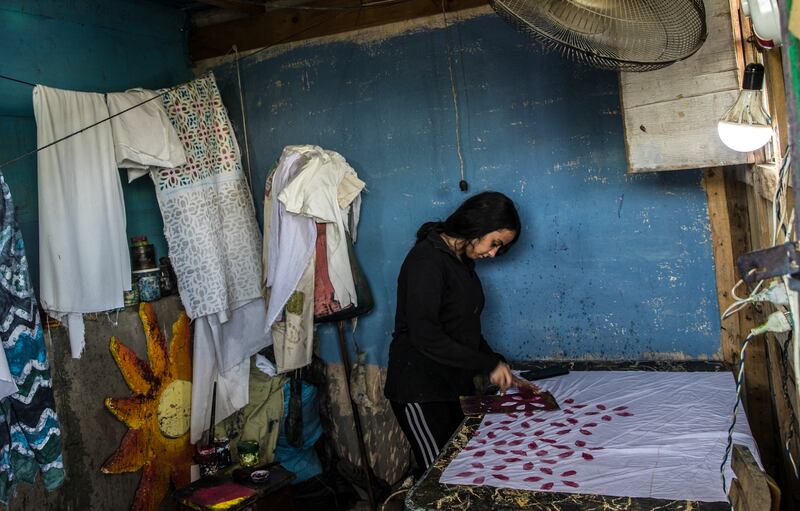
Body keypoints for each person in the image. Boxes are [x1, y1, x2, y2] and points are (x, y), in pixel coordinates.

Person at [384, 191, 523, 477]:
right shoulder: (426, 261)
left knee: (463, 470)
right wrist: (487, 365)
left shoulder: (461, 262)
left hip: (451, 387)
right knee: (439, 478)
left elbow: (465, 328)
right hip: (420, 391)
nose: (493, 253)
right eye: (494, 243)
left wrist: (495, 360)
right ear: (477, 226)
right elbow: (426, 335)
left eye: (500, 248)